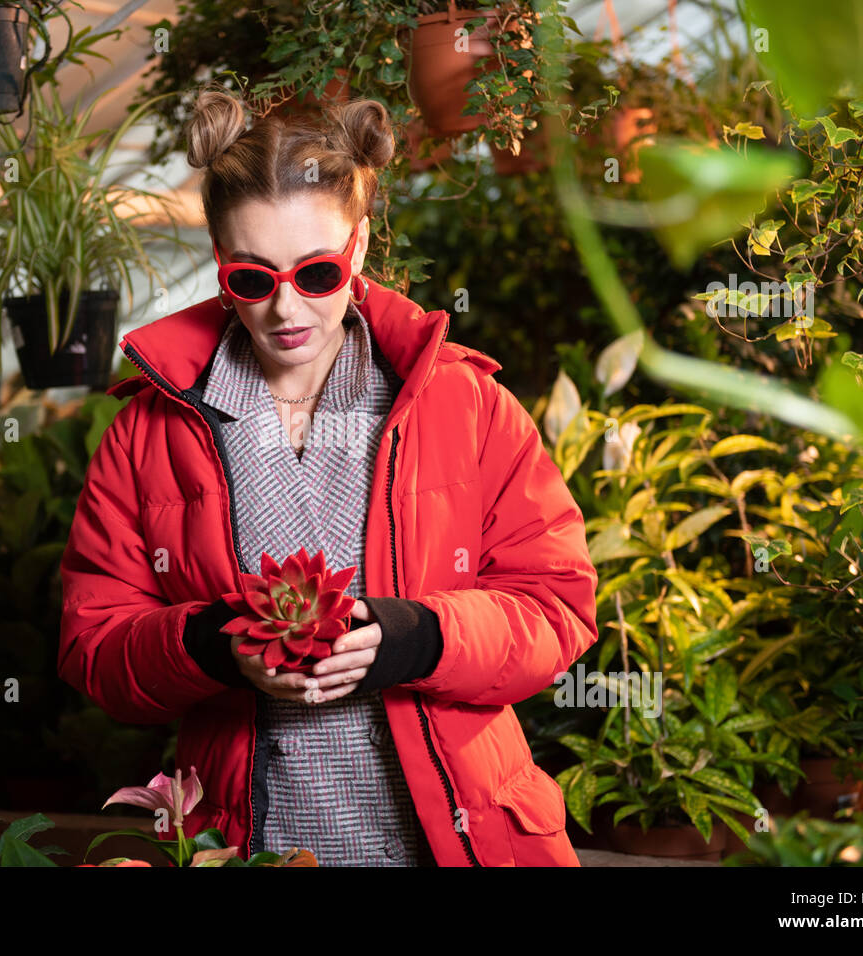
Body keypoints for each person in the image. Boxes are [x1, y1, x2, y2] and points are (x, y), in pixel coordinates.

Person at [58, 86, 600, 866]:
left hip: (452, 841)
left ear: (361, 246)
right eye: (251, 278)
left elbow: (559, 604)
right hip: (249, 847)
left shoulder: (466, 403)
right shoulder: (149, 431)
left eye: (315, 274)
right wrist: (212, 644)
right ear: (219, 263)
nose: (284, 309)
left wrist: (419, 637)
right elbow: (94, 646)